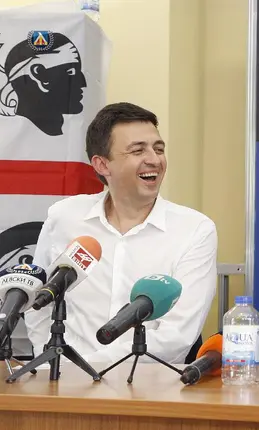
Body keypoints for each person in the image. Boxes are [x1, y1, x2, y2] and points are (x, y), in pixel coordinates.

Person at [26, 102, 218, 364]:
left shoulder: (194, 229)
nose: (154, 159)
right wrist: (52, 362)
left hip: (147, 381)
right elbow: (38, 304)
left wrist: (91, 369)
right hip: (62, 377)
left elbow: (177, 336)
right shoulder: (64, 217)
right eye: (138, 150)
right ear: (102, 164)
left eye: (158, 149)